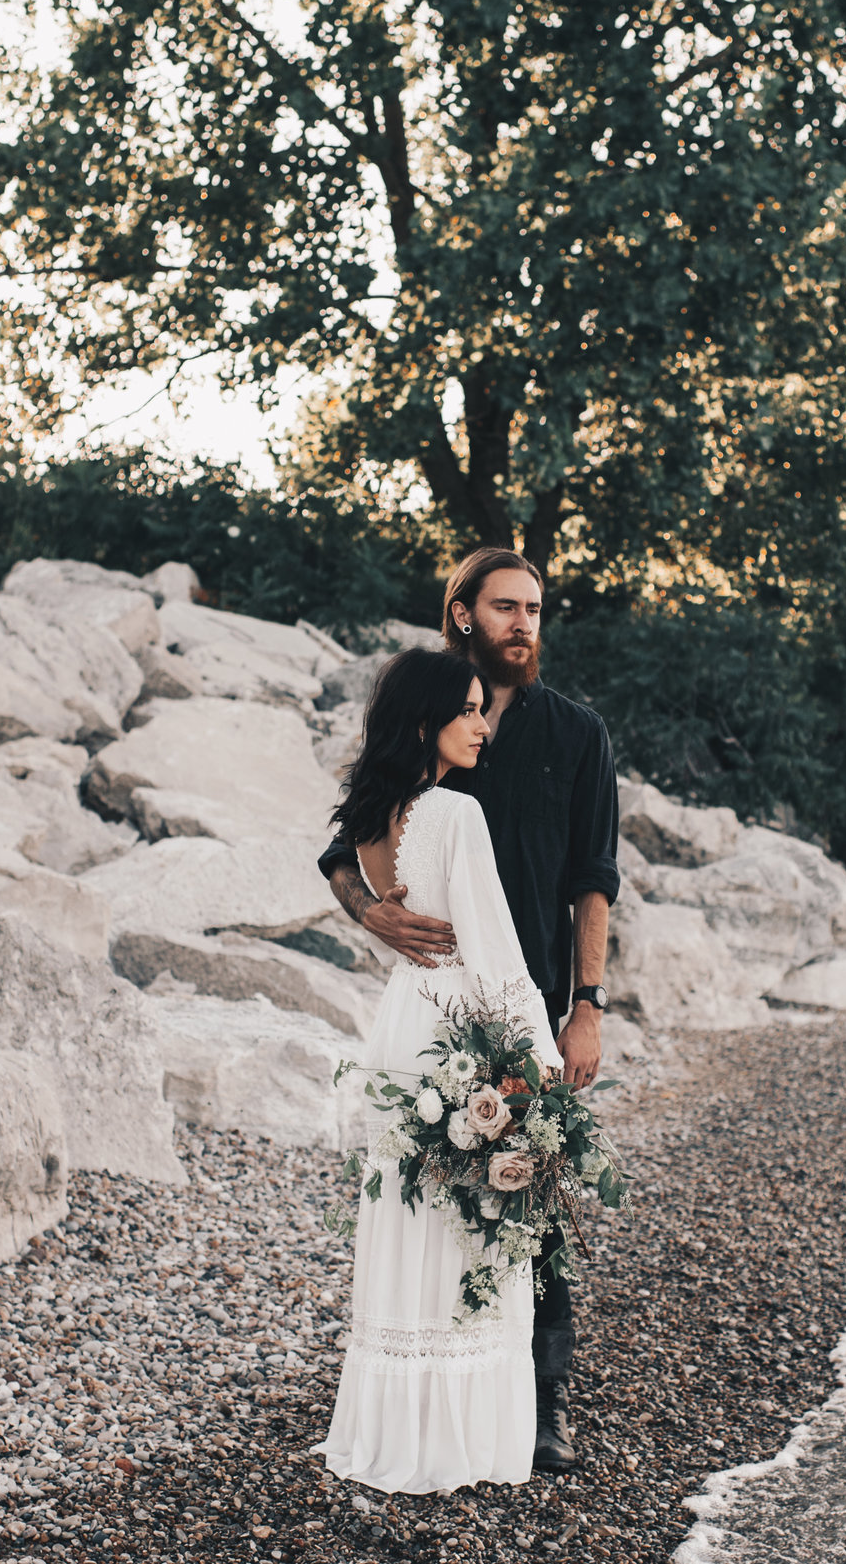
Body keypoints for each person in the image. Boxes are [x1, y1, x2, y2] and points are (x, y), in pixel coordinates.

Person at [317, 547, 621, 1473]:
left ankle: (543, 1399)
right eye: (506, 607)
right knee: (448, 1203)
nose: (525, 622)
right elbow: (343, 851)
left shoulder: (578, 734)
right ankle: (443, 1395)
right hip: (457, 1005)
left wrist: (589, 1006)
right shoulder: (436, 724)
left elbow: (594, 879)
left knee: (538, 1202)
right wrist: (375, 915)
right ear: (463, 614)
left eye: (535, 607)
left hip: (532, 994)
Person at [314, 649, 562, 1492]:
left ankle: (394, 1429)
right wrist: (542, 1061)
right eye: (465, 711)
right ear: (425, 721)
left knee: (408, 1216)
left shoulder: (372, 815)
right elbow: (495, 956)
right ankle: (458, 1444)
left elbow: (344, 873)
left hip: (400, 1022)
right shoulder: (455, 813)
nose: (482, 725)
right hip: (457, 1027)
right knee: (467, 1225)